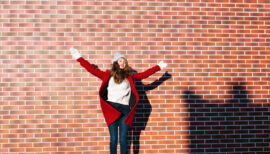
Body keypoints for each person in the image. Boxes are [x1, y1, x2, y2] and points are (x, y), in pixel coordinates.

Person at [70, 48, 167, 154]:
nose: (123, 63)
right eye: (121, 60)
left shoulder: (130, 77)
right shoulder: (107, 75)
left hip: (125, 110)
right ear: (115, 62)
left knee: (123, 139)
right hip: (111, 109)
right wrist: (79, 57)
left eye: (124, 62)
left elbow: (144, 75)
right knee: (113, 140)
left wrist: (158, 67)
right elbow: (91, 69)